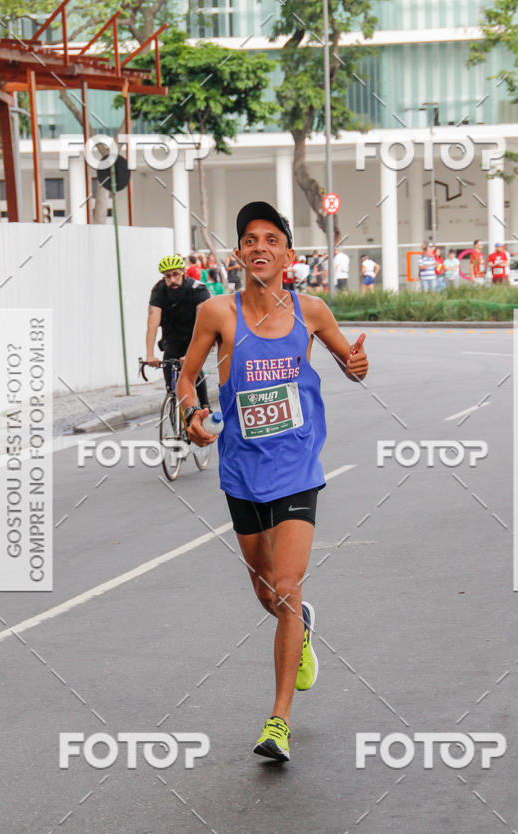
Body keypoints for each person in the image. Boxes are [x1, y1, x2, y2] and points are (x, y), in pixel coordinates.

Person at [177, 201, 368, 763]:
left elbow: (348, 364)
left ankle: (278, 721)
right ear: (239, 253)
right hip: (241, 472)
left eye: (270, 238)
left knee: (285, 586)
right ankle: (302, 629)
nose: (259, 246)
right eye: (249, 239)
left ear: (287, 253)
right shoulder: (217, 312)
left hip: (296, 467)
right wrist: (191, 413)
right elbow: (187, 377)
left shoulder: (310, 310)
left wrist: (356, 366)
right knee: (268, 594)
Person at [145, 254, 211, 408]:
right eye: (168, 276)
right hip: (172, 339)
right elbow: (152, 324)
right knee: (170, 380)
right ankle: (174, 411)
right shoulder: (159, 290)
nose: (172, 279)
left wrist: (191, 353)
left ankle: (205, 407)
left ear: (183, 273)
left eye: (175, 274)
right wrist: (149, 354)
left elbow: (202, 326)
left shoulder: (198, 290)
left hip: (194, 337)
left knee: (195, 372)